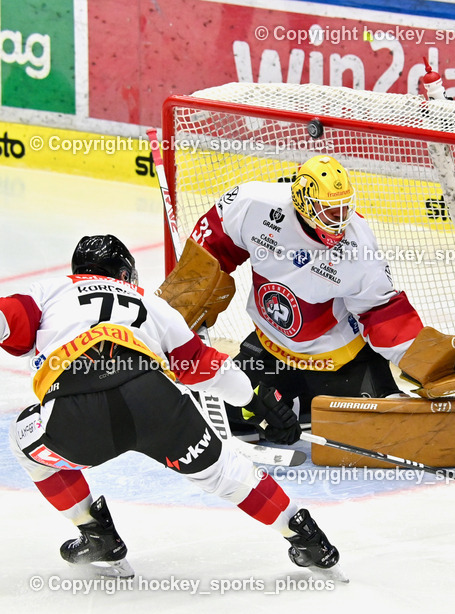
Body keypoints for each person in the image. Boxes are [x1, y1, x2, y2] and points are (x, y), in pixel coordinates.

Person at [0, 235, 340, 578]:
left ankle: (96, 533)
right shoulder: (151, 302)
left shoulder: (50, 290)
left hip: (79, 414)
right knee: (225, 472)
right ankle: (306, 536)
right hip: (155, 400)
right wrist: (257, 402)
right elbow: (206, 366)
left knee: (23, 439)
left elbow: (6, 318)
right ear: (125, 274)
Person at [166, 154, 455, 439]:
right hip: (267, 349)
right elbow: (209, 248)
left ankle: (343, 395)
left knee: (381, 433)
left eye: (343, 209)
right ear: (302, 202)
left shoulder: (358, 247)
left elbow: (382, 313)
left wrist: (428, 360)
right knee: (213, 415)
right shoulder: (253, 204)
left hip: (339, 364)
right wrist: (177, 317)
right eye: (329, 211)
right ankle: (290, 404)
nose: (339, 220)